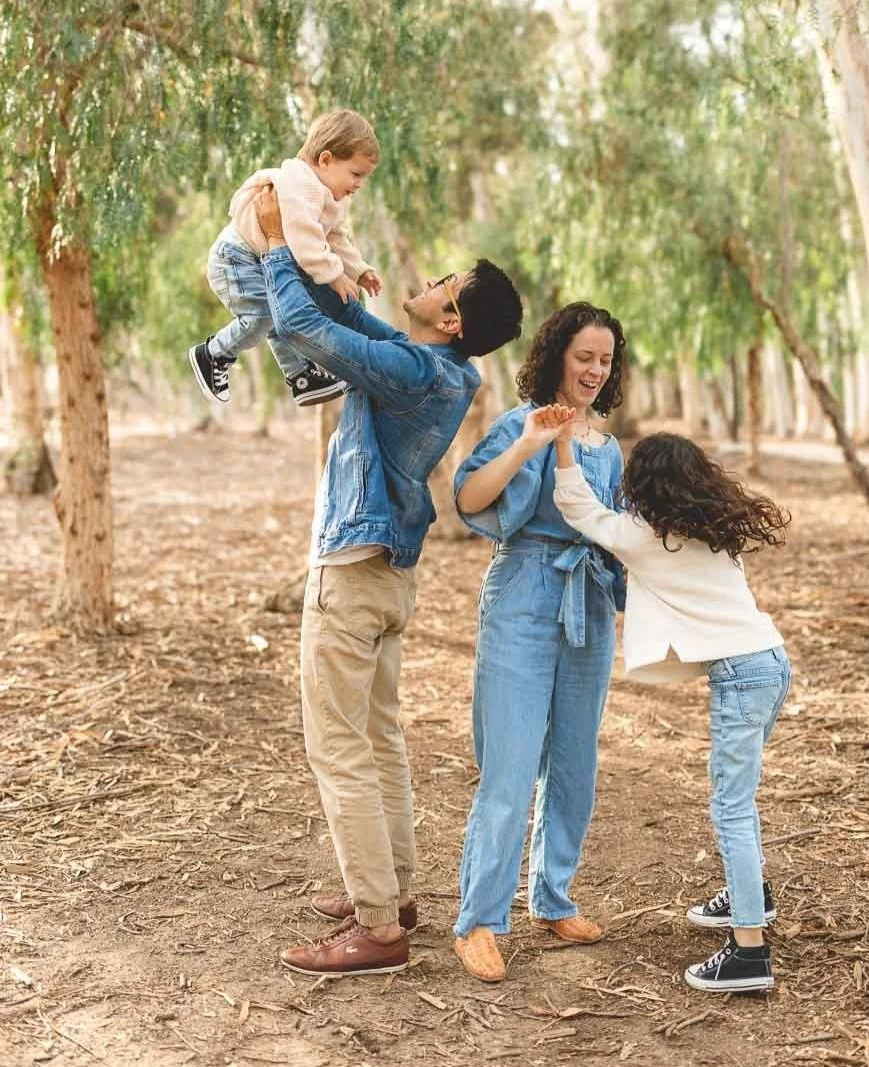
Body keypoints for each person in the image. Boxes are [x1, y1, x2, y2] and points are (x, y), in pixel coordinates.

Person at [253, 186, 523, 978]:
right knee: (377, 737)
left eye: (443, 282)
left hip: (352, 575)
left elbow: (307, 331)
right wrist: (332, 271)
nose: (431, 278)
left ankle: (378, 930)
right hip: (389, 578)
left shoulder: (413, 371)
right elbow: (353, 326)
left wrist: (275, 246)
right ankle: (392, 893)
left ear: (451, 322)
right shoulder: (442, 372)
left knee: (336, 746)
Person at [549, 425, 792, 994]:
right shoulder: (713, 532)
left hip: (739, 674)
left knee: (731, 807)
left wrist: (562, 443)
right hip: (772, 664)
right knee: (741, 799)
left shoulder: (642, 536)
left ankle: (748, 953)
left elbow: (578, 506)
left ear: (644, 485)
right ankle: (748, 893)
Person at [450, 303, 627, 983]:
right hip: (522, 592)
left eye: (605, 360)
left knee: (575, 764)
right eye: (584, 355)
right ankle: (478, 920)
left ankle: (551, 895)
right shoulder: (512, 424)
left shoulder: (607, 447)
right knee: (511, 765)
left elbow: (612, 528)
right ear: (557, 354)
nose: (593, 370)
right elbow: (469, 497)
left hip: (586, 602)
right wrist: (528, 443)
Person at [189, 109, 384, 408]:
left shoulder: (331, 196)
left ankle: (300, 377)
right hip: (236, 259)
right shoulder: (300, 183)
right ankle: (214, 353)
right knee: (263, 316)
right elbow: (304, 237)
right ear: (326, 160)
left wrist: (358, 270)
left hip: (257, 260)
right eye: (355, 174)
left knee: (280, 312)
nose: (358, 184)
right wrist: (334, 275)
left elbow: (334, 237)